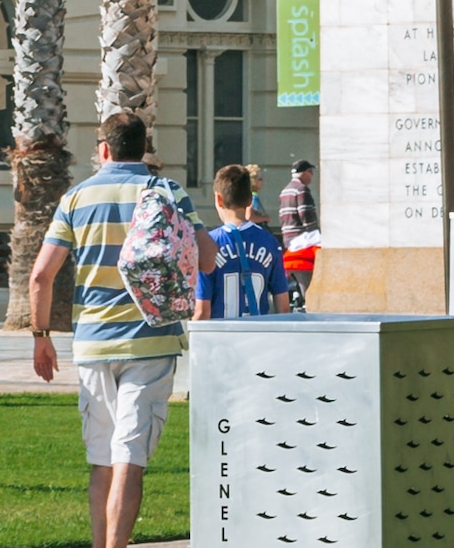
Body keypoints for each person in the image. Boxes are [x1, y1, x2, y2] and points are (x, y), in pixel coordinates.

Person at [29, 115, 192, 548]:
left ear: (104, 149)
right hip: (152, 340)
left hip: (94, 342)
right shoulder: (168, 192)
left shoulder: (76, 197)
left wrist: (41, 336)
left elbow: (41, 276)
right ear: (144, 148)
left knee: (102, 460)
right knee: (130, 459)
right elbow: (206, 258)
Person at [205, 165, 283, 319]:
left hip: (219, 337)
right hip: (256, 336)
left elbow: (202, 310)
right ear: (249, 200)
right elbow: (283, 306)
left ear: (218, 199)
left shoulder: (209, 244)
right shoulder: (269, 242)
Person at [276, 162, 319, 312]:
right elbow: (307, 217)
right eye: (311, 172)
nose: (312, 176)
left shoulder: (285, 191)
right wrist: (316, 235)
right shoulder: (301, 190)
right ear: (306, 172)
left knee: (297, 282)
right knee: (307, 285)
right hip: (303, 244)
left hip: (289, 242)